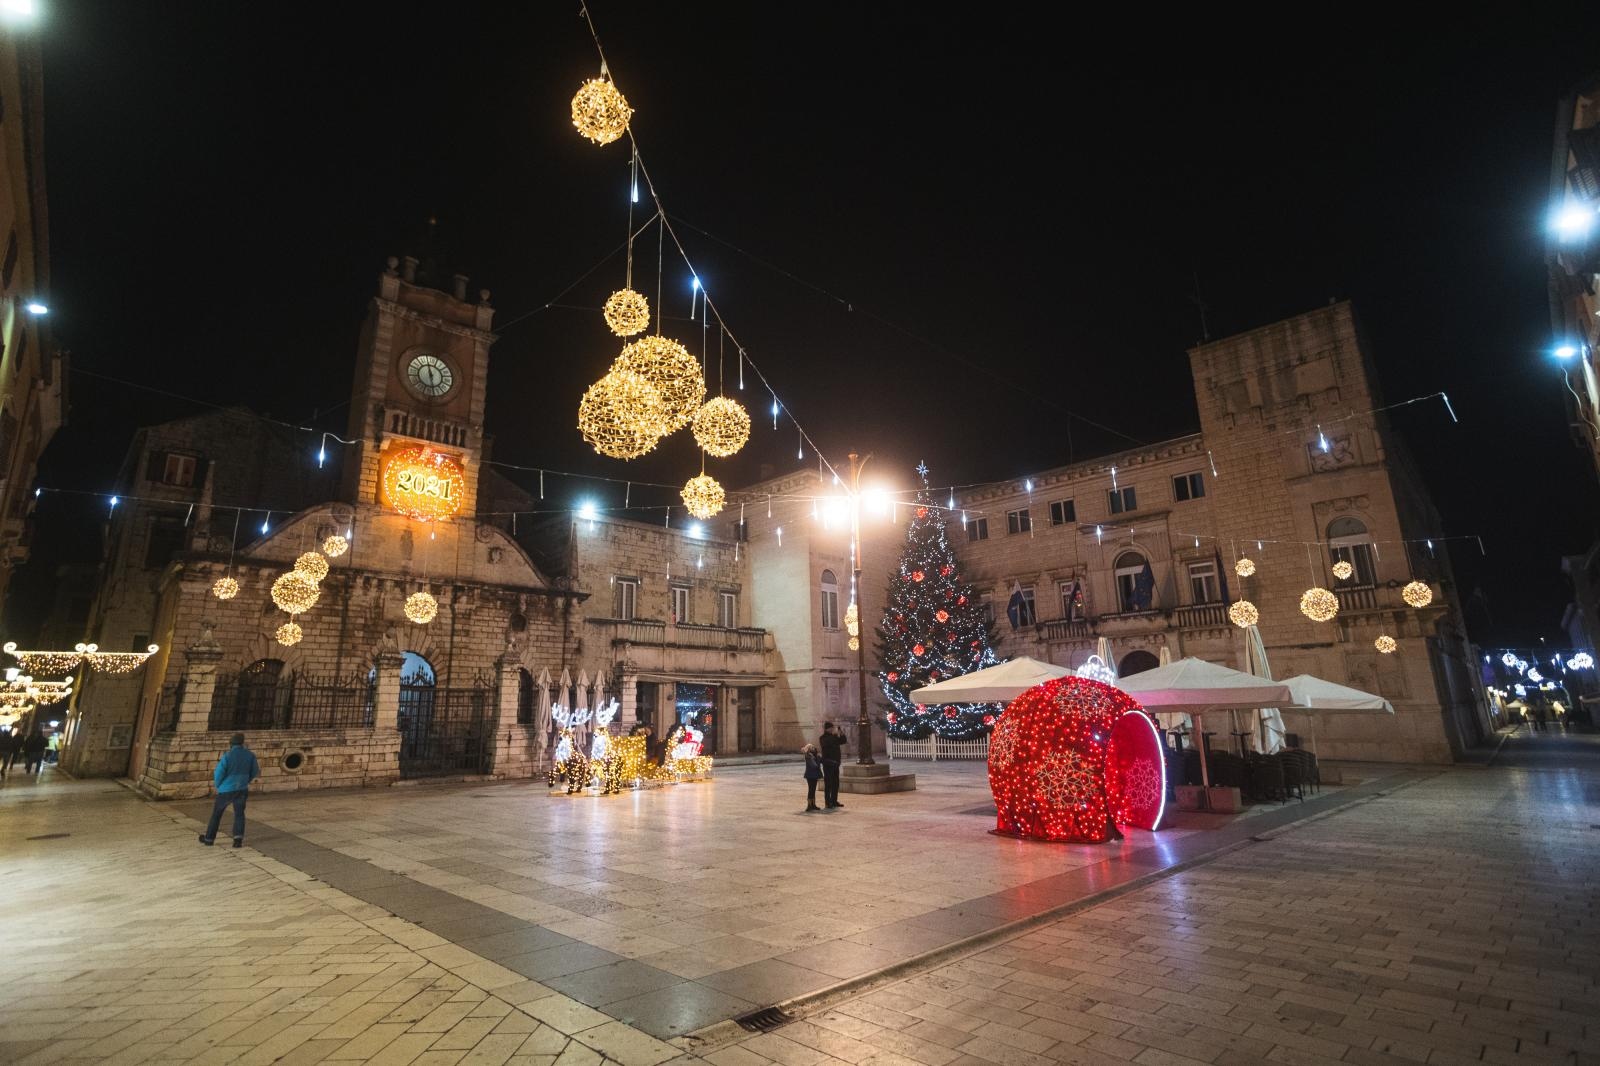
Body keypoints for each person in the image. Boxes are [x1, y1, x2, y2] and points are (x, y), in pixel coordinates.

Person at [199, 732, 260, 848]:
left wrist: (219, 786)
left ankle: (209, 839)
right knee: (239, 814)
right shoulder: (250, 755)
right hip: (241, 789)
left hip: (226, 789)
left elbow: (219, 773)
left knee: (216, 814)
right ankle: (237, 840)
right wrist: (245, 781)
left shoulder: (228, 756)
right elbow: (254, 770)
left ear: (231, 744)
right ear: (242, 743)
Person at [818, 721, 846, 809]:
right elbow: (827, 744)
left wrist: (841, 733)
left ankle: (834, 801)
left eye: (833, 728)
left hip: (835, 764)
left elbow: (843, 741)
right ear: (827, 729)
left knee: (835, 783)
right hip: (828, 764)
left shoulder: (834, 737)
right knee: (828, 784)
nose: (832, 729)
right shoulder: (823, 738)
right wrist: (834, 736)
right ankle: (828, 802)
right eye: (831, 728)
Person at [802, 744, 823, 811]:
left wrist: (819, 757)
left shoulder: (815, 756)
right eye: (811, 747)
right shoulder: (808, 756)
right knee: (811, 790)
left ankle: (813, 805)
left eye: (813, 747)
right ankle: (809, 806)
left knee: (813, 790)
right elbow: (814, 766)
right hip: (810, 775)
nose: (813, 748)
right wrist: (818, 759)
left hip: (814, 775)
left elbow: (820, 762)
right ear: (808, 749)